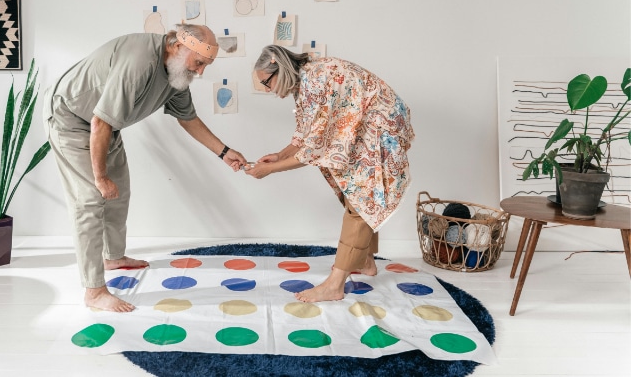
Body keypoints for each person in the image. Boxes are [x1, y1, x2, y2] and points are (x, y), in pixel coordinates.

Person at [43, 24, 247, 312]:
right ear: (177, 47)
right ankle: (94, 292)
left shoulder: (178, 73)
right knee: (90, 201)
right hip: (72, 120)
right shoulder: (139, 63)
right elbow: (100, 122)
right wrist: (100, 177)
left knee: (119, 192)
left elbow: (188, 119)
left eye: (206, 66)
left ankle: (113, 257)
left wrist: (224, 153)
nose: (200, 72)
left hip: (105, 126)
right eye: (199, 63)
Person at [244, 45, 414, 303]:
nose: (268, 90)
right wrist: (279, 155)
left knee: (361, 198)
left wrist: (270, 169)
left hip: (381, 127)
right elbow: (305, 135)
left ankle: (335, 285)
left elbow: (313, 148)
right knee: (356, 193)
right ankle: (366, 262)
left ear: (278, 66)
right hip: (371, 124)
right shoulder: (305, 81)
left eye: (267, 82)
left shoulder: (315, 79)